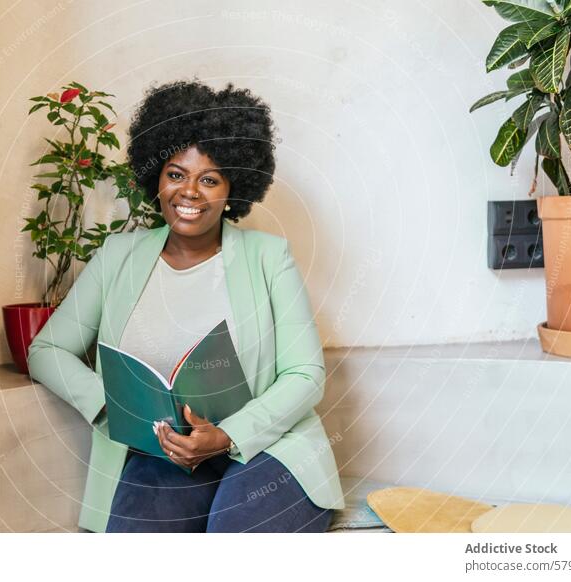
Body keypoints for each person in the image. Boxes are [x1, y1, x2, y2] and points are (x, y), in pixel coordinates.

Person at [27, 79, 344, 533]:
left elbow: (306, 376)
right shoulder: (118, 256)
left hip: (268, 447)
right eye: (176, 174)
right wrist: (113, 408)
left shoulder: (268, 257)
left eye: (209, 179)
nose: (189, 192)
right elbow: (46, 351)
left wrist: (229, 435)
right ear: (155, 177)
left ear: (233, 189)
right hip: (160, 453)